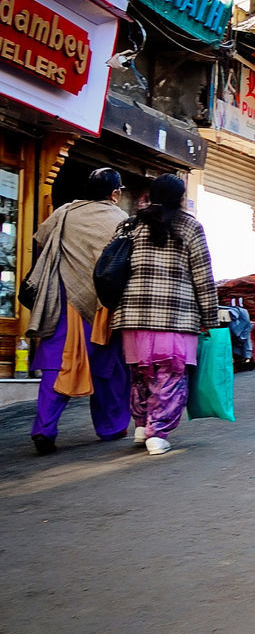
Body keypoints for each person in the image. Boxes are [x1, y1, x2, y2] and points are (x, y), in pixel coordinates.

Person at [111, 174, 218, 455]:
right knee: (169, 377)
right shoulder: (190, 227)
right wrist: (210, 319)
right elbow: (203, 278)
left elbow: (114, 267)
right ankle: (156, 433)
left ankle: (140, 425)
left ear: (151, 195)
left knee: (141, 375)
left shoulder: (129, 225)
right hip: (175, 319)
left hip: (133, 318)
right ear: (181, 198)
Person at [27, 168, 130, 454]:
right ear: (115, 194)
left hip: (65, 302)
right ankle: (111, 427)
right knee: (109, 369)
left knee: (58, 366)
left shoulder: (65, 212)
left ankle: (44, 429)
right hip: (103, 307)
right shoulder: (122, 221)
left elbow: (40, 238)